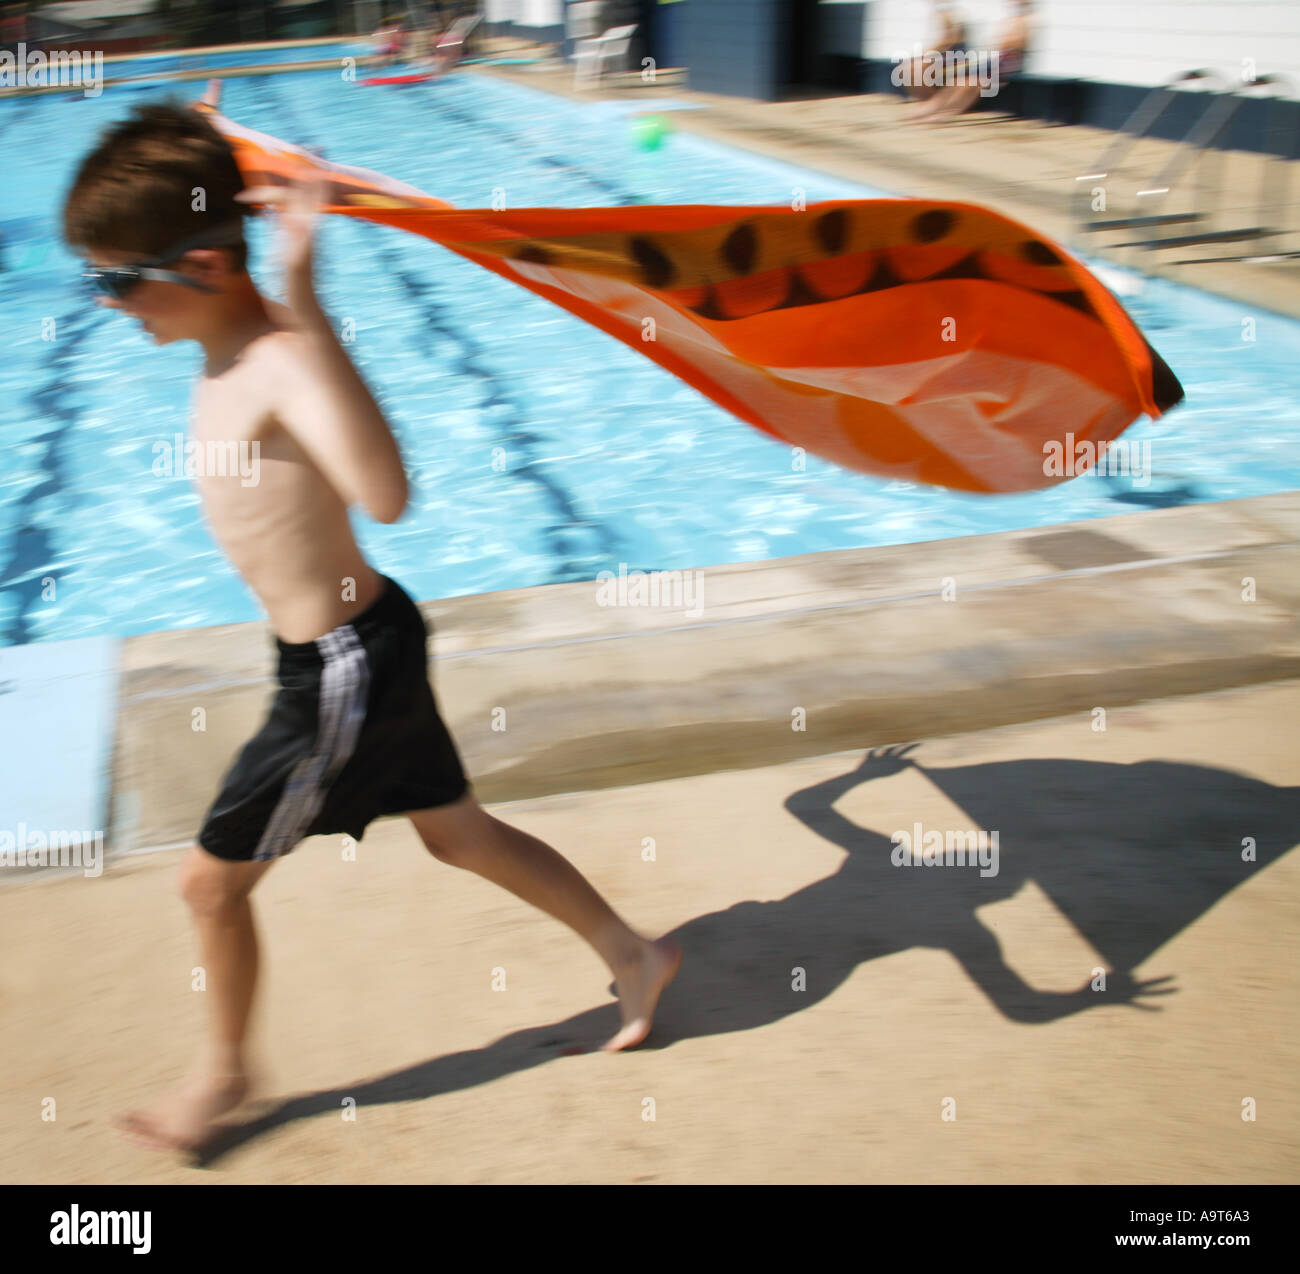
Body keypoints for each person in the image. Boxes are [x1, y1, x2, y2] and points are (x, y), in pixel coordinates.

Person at [62, 97, 682, 1155]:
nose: (110, 303)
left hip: (339, 669)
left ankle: (222, 1077)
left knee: (209, 882)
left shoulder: (277, 358)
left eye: (120, 278)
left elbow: (385, 493)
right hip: (359, 644)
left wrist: (302, 294)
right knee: (459, 831)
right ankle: (634, 950)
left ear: (205, 266)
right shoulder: (229, 348)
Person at [907, 0, 1032, 122]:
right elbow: (1001, 42)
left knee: (971, 82)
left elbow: (1015, 43)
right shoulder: (1014, 20)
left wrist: (1005, 40)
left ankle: (945, 112)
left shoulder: (1027, 20)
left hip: (1008, 64)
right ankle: (933, 107)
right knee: (959, 81)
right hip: (997, 60)